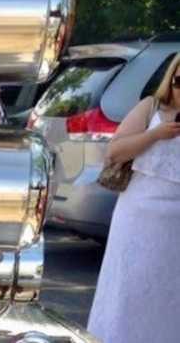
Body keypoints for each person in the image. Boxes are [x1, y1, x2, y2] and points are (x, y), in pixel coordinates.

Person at [88, 54, 180, 341]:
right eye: (179, 81)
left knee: (169, 295)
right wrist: (155, 135)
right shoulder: (151, 107)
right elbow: (114, 152)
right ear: (171, 80)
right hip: (138, 219)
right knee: (128, 289)